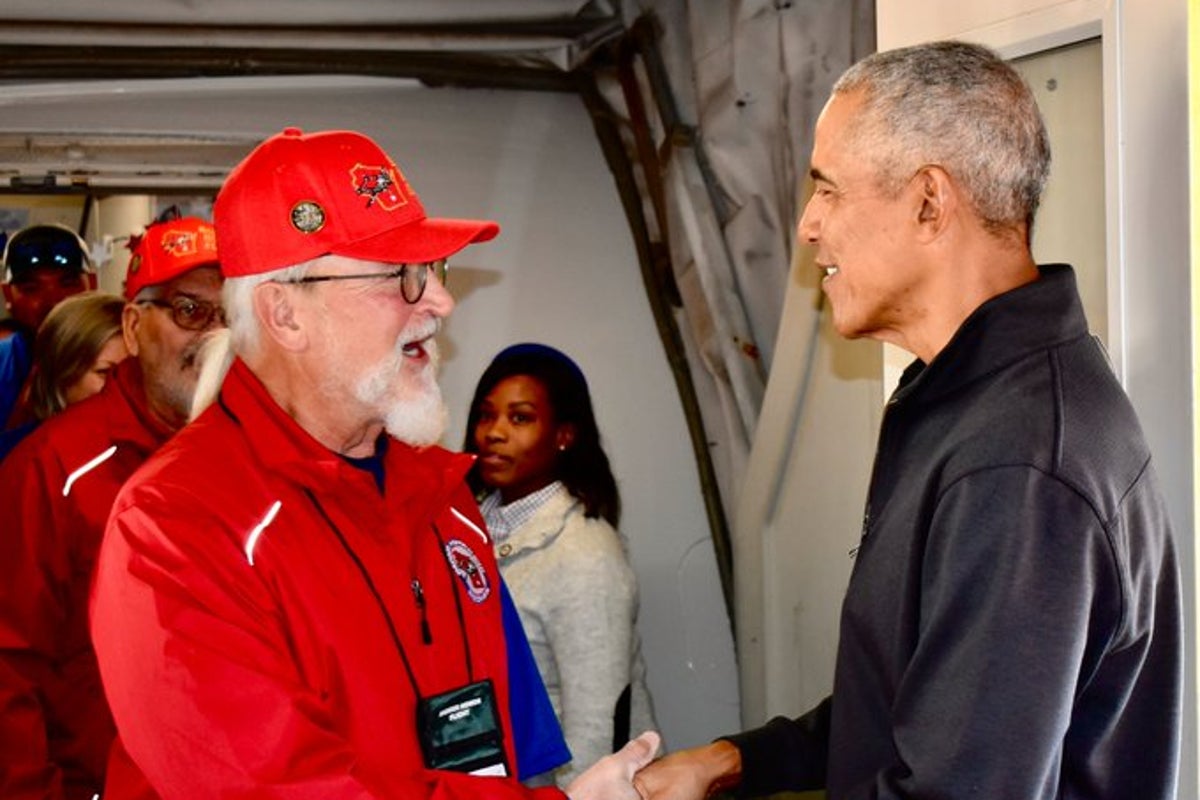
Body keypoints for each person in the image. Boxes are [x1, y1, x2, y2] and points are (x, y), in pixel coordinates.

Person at [634, 40, 1182, 800]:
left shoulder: (1017, 463)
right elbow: (924, 707)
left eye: (828, 190)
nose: (807, 226)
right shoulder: (971, 399)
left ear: (929, 202)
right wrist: (738, 761)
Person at [88, 126, 658, 800]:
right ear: (285, 314)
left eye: (434, 271)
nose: (440, 303)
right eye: (400, 276)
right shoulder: (175, 526)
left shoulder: (443, 496)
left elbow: (504, 749)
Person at [0, 214, 223, 800]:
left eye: (230, 317)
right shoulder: (54, 468)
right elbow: (9, 662)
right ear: (133, 325)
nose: (212, 336)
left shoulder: (256, 460)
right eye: (189, 311)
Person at [463, 342, 659, 787]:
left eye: (520, 418)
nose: (494, 432)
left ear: (564, 435)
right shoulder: (462, 529)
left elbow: (596, 731)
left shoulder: (586, 555)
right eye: (486, 415)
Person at [0, 291, 128, 460]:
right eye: (105, 372)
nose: (126, 384)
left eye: (135, 371)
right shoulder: (19, 459)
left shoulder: (149, 450)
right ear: (61, 374)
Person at [0, 224, 96, 428]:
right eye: (31, 288)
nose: (53, 301)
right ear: (7, 295)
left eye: (67, 284)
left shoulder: (124, 360)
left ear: (92, 285)